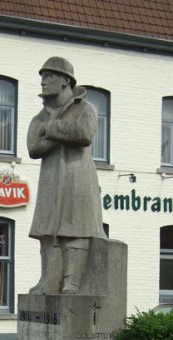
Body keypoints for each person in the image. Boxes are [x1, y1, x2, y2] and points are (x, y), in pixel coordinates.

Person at [27, 56, 107, 294]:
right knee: (45, 230)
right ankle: (47, 280)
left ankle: (72, 280)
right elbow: (33, 147)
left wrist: (51, 129)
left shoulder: (85, 109)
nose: (43, 82)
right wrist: (57, 132)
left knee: (76, 228)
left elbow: (83, 134)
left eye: (49, 76)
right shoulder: (39, 116)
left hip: (77, 177)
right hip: (50, 179)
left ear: (65, 80)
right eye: (42, 77)